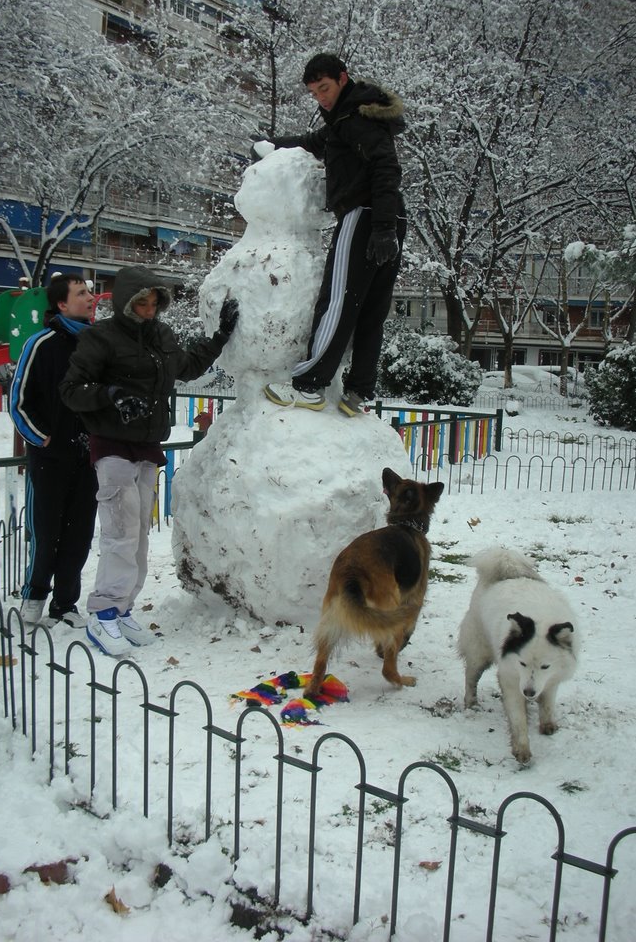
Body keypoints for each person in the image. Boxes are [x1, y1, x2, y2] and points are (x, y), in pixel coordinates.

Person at [60, 265, 238, 657]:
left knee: (138, 533)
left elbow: (186, 367)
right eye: (143, 301)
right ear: (126, 301)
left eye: (155, 301)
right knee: (120, 531)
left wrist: (221, 337)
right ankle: (103, 612)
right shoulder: (99, 337)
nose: (150, 307)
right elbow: (72, 389)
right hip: (111, 444)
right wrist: (111, 395)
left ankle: (122, 609)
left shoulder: (160, 335)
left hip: (145, 445)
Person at [257, 52, 406, 417]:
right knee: (372, 308)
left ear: (343, 77)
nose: (321, 97)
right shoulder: (348, 118)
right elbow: (315, 141)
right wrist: (272, 144)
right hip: (389, 219)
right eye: (314, 92)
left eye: (324, 88)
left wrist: (381, 226)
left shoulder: (355, 118)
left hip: (366, 216)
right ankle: (358, 391)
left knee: (337, 301)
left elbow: (387, 166)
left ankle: (309, 386)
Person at [9, 273, 98, 628]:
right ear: (61, 304)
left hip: (87, 456)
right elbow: (18, 401)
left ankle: (65, 603)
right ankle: (34, 595)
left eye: (90, 292)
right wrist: (40, 437)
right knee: (47, 531)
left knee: (79, 533)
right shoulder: (40, 343)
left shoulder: (97, 344)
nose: (90, 297)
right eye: (81, 293)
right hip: (49, 457)